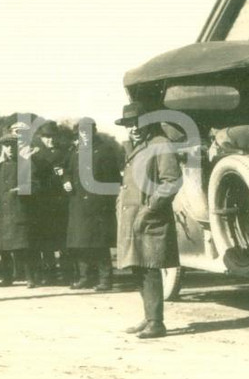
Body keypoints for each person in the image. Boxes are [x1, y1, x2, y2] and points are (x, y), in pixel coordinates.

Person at [116, 101, 181, 339]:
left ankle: (156, 322)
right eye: (129, 124)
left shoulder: (160, 144)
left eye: (137, 123)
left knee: (149, 267)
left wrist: (150, 208)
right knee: (138, 267)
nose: (133, 128)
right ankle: (149, 316)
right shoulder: (138, 147)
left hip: (150, 218)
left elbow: (171, 181)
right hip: (133, 217)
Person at [64, 117, 120, 291]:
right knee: (81, 244)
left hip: (98, 206)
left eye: (87, 132)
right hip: (78, 205)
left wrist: (105, 202)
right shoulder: (75, 152)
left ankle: (105, 280)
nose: (84, 136)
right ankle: (85, 277)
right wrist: (65, 181)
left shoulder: (104, 151)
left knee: (99, 244)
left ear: (94, 132)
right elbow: (65, 170)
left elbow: (113, 180)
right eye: (81, 133)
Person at [0, 132, 40, 288]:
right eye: (6, 145)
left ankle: (30, 278)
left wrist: (22, 189)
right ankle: (7, 277)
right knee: (2, 248)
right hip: (0, 212)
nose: (10, 149)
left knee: (22, 247)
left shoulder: (26, 164)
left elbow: (35, 184)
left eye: (12, 145)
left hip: (17, 210)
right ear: (2, 148)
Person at [31, 122, 70, 285]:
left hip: (62, 202)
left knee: (63, 240)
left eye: (53, 136)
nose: (50, 140)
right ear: (41, 138)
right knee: (46, 240)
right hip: (43, 202)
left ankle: (68, 274)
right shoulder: (36, 154)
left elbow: (72, 171)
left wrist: (65, 174)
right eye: (47, 137)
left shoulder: (66, 152)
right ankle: (49, 274)